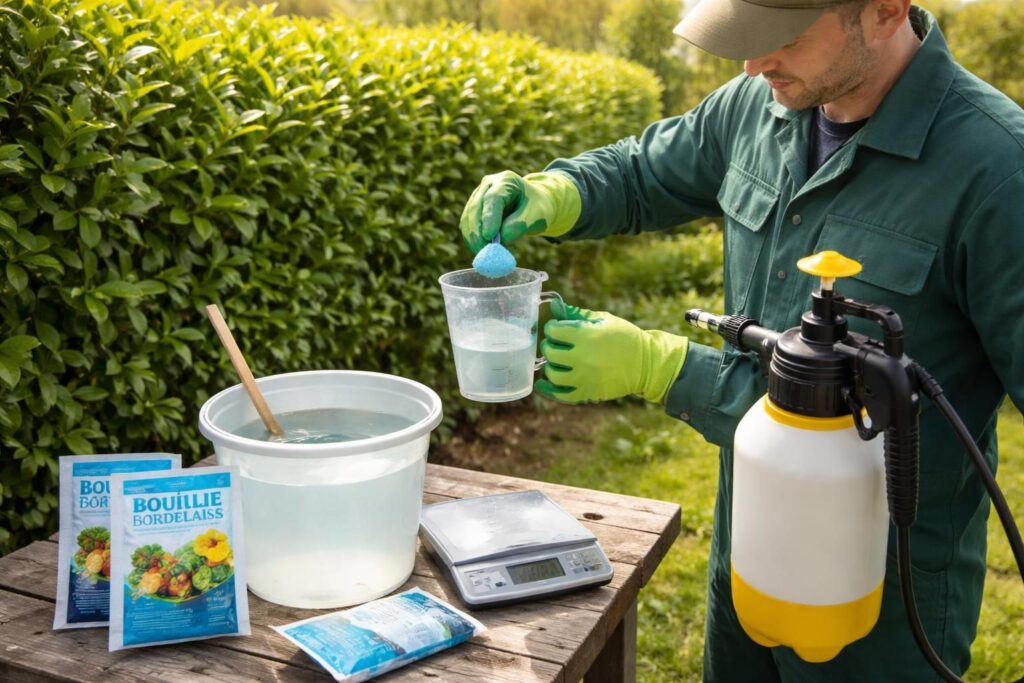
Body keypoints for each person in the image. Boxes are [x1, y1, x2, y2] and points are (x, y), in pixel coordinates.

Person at [458, 0, 1024, 680]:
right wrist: (559, 190)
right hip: (747, 555)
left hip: (882, 595)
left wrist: (665, 369)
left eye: (780, 36)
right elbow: (644, 172)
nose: (754, 64)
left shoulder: (998, 169)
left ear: (884, 10)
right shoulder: (759, 105)